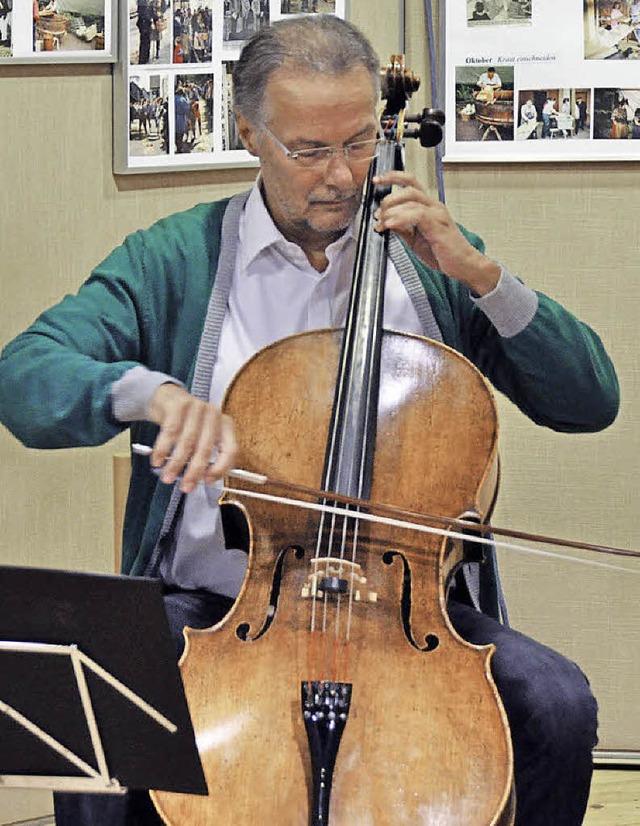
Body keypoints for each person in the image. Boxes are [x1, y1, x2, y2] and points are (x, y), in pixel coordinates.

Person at [0, 14, 619, 826]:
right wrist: (147, 395)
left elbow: (590, 400)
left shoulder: (430, 263)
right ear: (250, 131)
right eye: (309, 151)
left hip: (405, 617)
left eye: (360, 143)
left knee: (559, 704)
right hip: (217, 610)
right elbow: (26, 374)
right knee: (94, 699)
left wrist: (479, 274)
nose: (341, 177)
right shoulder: (173, 260)